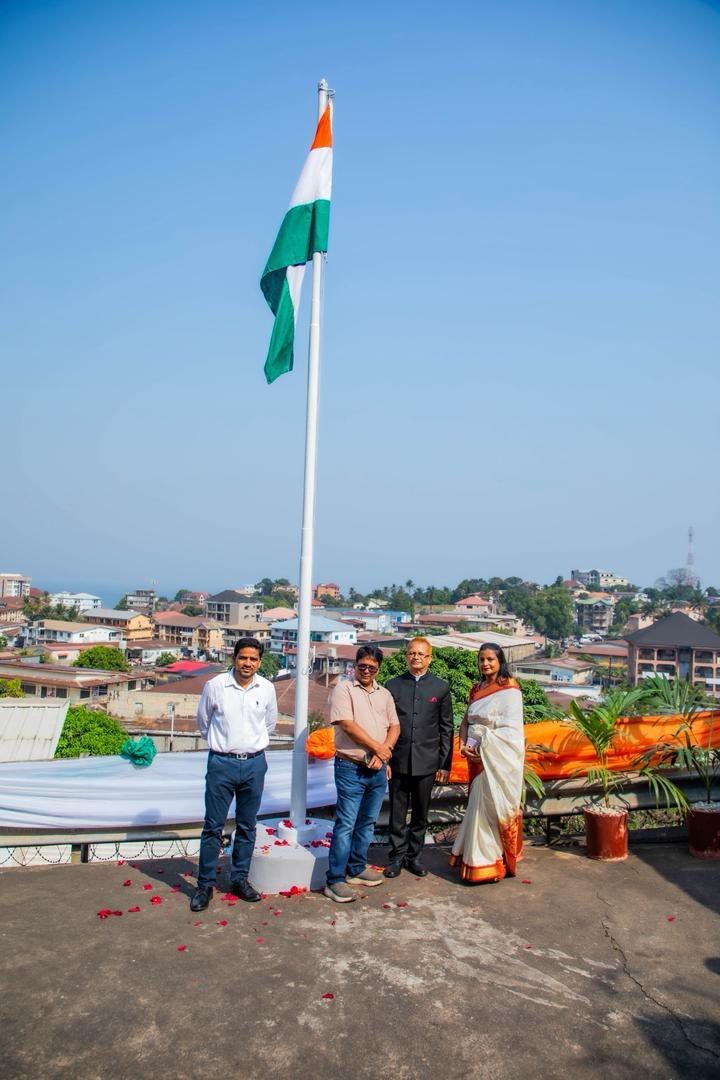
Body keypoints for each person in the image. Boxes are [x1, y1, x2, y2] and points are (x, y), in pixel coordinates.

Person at [190, 637, 278, 911]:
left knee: (247, 825)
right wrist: (224, 748)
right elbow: (203, 722)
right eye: (243, 658)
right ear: (234, 658)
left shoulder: (266, 688)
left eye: (253, 659)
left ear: (259, 662)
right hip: (222, 764)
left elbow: (270, 724)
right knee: (213, 827)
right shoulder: (215, 686)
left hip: (254, 764)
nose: (247, 663)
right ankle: (204, 886)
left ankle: (239, 879)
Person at [324, 645, 400, 903]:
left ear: (378, 668)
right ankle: (334, 879)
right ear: (355, 666)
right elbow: (347, 724)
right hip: (350, 767)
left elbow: (395, 726)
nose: (366, 670)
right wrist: (378, 748)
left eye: (372, 667)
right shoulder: (344, 689)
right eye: (362, 666)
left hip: (378, 768)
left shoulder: (385, 694)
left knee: (367, 822)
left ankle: (356, 867)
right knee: (345, 824)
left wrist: (383, 753)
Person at [449, 642, 524, 884]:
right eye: (482, 659)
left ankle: (487, 863)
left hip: (494, 758)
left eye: (490, 659)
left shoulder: (509, 688)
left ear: (500, 660)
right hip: (474, 757)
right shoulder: (475, 689)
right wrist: (462, 744)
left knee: (489, 810)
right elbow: (465, 721)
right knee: (477, 807)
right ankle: (475, 857)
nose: (485, 663)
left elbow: (511, 731)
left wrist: (483, 749)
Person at [384, 638, 453, 878]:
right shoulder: (392, 686)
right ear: (406, 656)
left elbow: (446, 728)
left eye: (421, 654)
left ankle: (415, 858)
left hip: (427, 762)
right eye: (412, 653)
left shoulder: (440, 688)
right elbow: (384, 725)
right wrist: (385, 759)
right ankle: (395, 858)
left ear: (429, 658)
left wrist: (445, 764)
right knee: (397, 814)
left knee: (421, 814)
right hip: (398, 761)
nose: (416, 657)